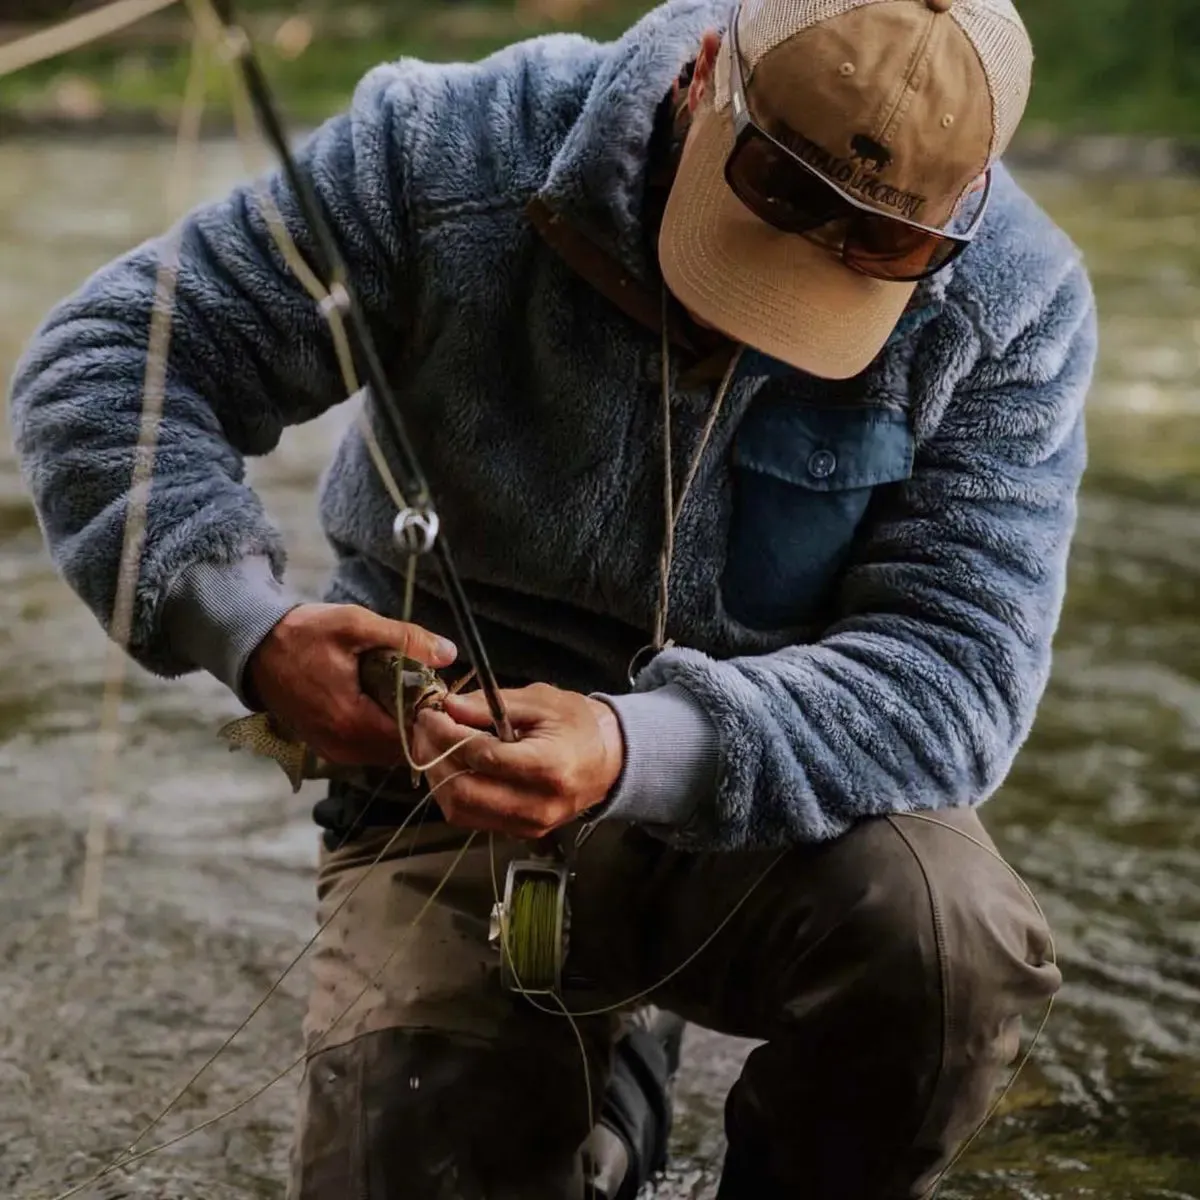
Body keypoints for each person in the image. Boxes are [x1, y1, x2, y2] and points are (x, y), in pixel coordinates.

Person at [10, 0, 1096, 1195]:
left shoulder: (1012, 304)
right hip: (431, 800)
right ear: (701, 76)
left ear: (964, 207)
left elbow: (957, 675)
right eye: (774, 202)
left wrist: (637, 747)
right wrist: (252, 634)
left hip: (764, 814)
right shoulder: (446, 151)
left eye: (876, 248)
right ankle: (604, 1092)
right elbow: (113, 360)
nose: (776, 294)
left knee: (949, 945)